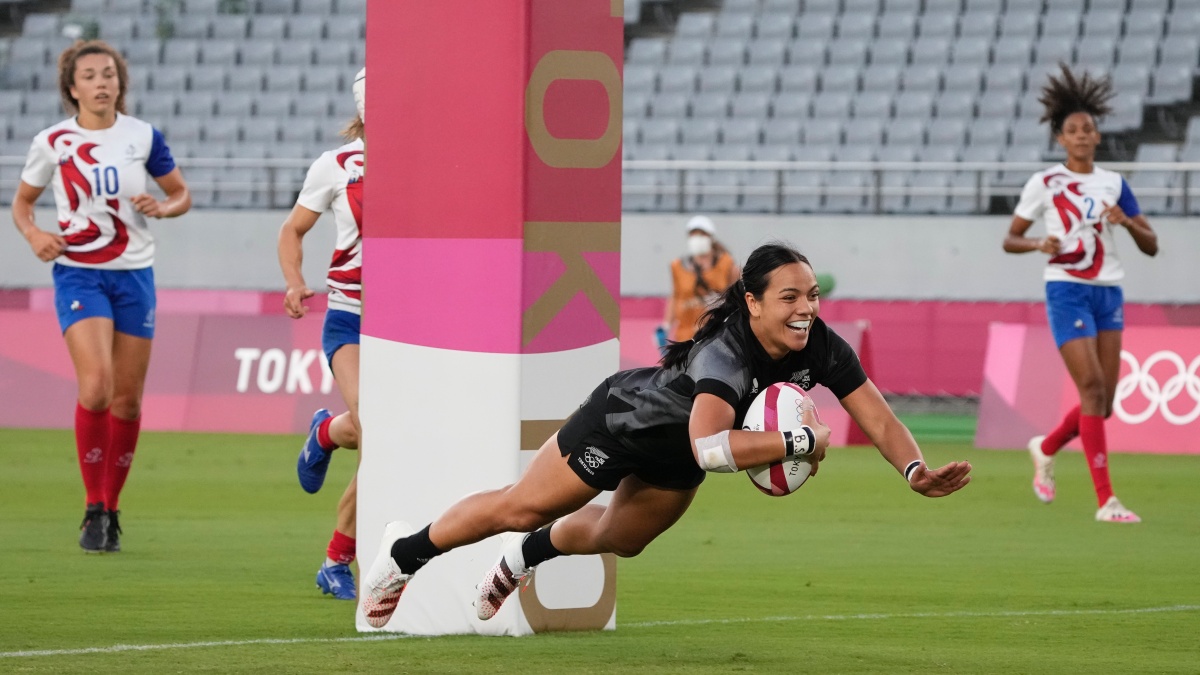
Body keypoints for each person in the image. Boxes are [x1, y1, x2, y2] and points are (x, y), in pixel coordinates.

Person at [359, 242, 973, 627]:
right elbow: (713, 448)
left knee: (620, 539)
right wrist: (799, 442)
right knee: (522, 506)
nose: (806, 308)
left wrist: (914, 470)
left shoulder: (822, 346)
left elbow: (879, 417)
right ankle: (403, 556)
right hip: (621, 425)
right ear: (753, 303)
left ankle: (524, 557)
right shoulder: (724, 353)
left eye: (811, 296)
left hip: (678, 461)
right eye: (789, 297)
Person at [11, 40, 191, 553]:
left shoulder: (142, 136)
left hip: (134, 275)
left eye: (108, 74)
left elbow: (181, 193)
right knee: (96, 388)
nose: (101, 83)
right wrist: (34, 234)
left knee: (128, 402)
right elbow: (22, 204)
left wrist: (163, 207)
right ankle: (92, 506)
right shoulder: (52, 142)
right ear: (72, 88)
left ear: (120, 82)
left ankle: (111, 507)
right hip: (79, 274)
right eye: (89, 75)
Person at [1003, 65, 1158, 523]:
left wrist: (1126, 222)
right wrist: (1039, 243)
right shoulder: (1045, 183)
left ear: (1097, 136)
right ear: (1060, 139)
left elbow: (1152, 244)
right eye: (1073, 130)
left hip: (1108, 292)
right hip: (1067, 289)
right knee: (1090, 387)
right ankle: (1107, 501)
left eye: (1088, 129)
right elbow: (1010, 239)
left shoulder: (1114, 183)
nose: (1082, 136)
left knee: (1103, 403)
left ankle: (1046, 447)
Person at [279, 68, 367, 600]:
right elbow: (293, 230)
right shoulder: (336, 165)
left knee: (386, 431)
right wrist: (295, 282)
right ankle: (337, 561)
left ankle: (327, 432)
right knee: (381, 431)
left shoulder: (428, 163)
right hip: (350, 317)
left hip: (409, 326)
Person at [657, 215, 740, 349]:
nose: (697, 238)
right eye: (693, 235)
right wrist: (666, 325)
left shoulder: (727, 264)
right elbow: (675, 296)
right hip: (686, 336)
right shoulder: (678, 267)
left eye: (702, 234)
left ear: (711, 237)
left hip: (717, 335)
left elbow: (738, 297)